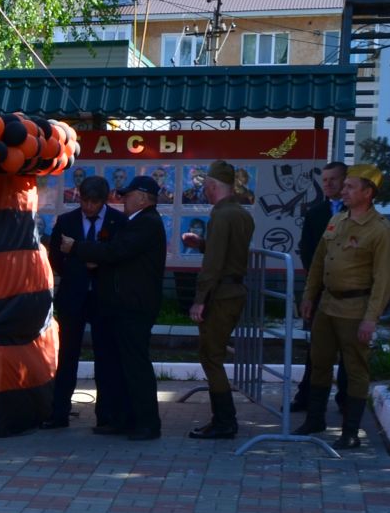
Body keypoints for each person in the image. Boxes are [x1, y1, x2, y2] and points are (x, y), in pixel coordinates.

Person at [298, 164, 390, 450]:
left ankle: (350, 432)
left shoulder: (381, 230)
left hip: (355, 309)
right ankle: (315, 418)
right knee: (318, 362)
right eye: (345, 186)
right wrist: (308, 295)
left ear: (368, 193)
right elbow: (319, 261)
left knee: (355, 369)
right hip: (326, 305)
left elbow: (384, 280)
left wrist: (371, 319)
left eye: (350, 187)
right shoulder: (337, 221)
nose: (344, 191)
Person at [63, 174, 167, 440]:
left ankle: (146, 423)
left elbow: (116, 251)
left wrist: (77, 248)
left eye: (128, 195)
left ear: (143, 198)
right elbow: (117, 255)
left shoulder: (146, 223)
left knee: (135, 366)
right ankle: (126, 419)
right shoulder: (139, 222)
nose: (123, 200)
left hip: (135, 307)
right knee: (122, 366)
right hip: (124, 305)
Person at [41, 174, 126, 432]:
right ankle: (59, 413)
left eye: (94, 202)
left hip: (103, 296)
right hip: (74, 294)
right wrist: (74, 270)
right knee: (68, 356)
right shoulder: (67, 221)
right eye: (85, 201)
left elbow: (119, 255)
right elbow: (55, 256)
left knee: (105, 356)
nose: (89, 207)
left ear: (104, 200)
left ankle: (106, 415)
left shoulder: (117, 221)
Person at [187, 160, 256, 440]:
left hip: (221, 295)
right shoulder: (241, 214)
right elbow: (228, 252)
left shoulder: (221, 215)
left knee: (210, 357)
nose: (204, 191)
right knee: (213, 355)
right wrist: (202, 244)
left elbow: (214, 263)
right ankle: (223, 420)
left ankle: (224, 421)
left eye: (206, 186)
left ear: (214, 186)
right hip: (233, 290)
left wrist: (200, 298)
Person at [294, 160, 348, 415]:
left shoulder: (358, 211)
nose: (328, 184)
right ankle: (307, 397)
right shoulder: (315, 213)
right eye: (324, 180)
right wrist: (314, 288)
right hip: (321, 292)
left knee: (348, 349)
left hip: (350, 293)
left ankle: (346, 398)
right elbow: (308, 252)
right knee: (316, 348)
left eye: (333, 180)